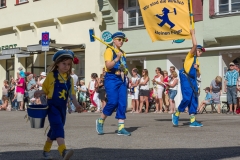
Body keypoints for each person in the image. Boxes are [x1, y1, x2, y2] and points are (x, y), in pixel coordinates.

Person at [34, 50, 82, 160]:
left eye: (68, 64)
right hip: (52, 107)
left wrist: (77, 105)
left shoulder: (69, 79)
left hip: (62, 108)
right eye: (64, 63)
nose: (66, 66)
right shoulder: (51, 75)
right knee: (59, 127)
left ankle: (46, 151)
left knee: (54, 130)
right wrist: (40, 92)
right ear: (57, 64)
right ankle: (63, 151)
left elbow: (72, 95)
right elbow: (45, 89)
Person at [96, 31, 131, 136]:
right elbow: (108, 66)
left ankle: (121, 128)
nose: (121, 42)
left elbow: (124, 68)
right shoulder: (109, 50)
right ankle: (101, 120)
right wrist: (116, 59)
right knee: (113, 102)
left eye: (123, 40)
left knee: (123, 103)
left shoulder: (123, 52)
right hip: (111, 78)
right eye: (119, 39)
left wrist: (125, 73)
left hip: (121, 80)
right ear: (114, 40)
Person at [172, 29, 205, 127]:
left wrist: (197, 69)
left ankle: (193, 121)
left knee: (194, 100)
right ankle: (177, 113)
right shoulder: (190, 56)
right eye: (199, 51)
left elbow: (198, 75)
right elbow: (194, 45)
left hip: (193, 80)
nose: (200, 53)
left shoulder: (197, 61)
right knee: (186, 98)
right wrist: (193, 34)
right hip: (186, 78)